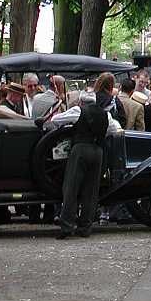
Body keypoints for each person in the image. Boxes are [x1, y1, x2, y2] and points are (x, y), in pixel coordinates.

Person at [57, 78, 111, 239]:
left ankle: (67, 227)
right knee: (91, 190)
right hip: (98, 151)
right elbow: (115, 130)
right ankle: (85, 227)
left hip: (80, 149)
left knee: (71, 189)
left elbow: (55, 121)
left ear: (81, 101)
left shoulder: (78, 111)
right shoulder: (105, 114)